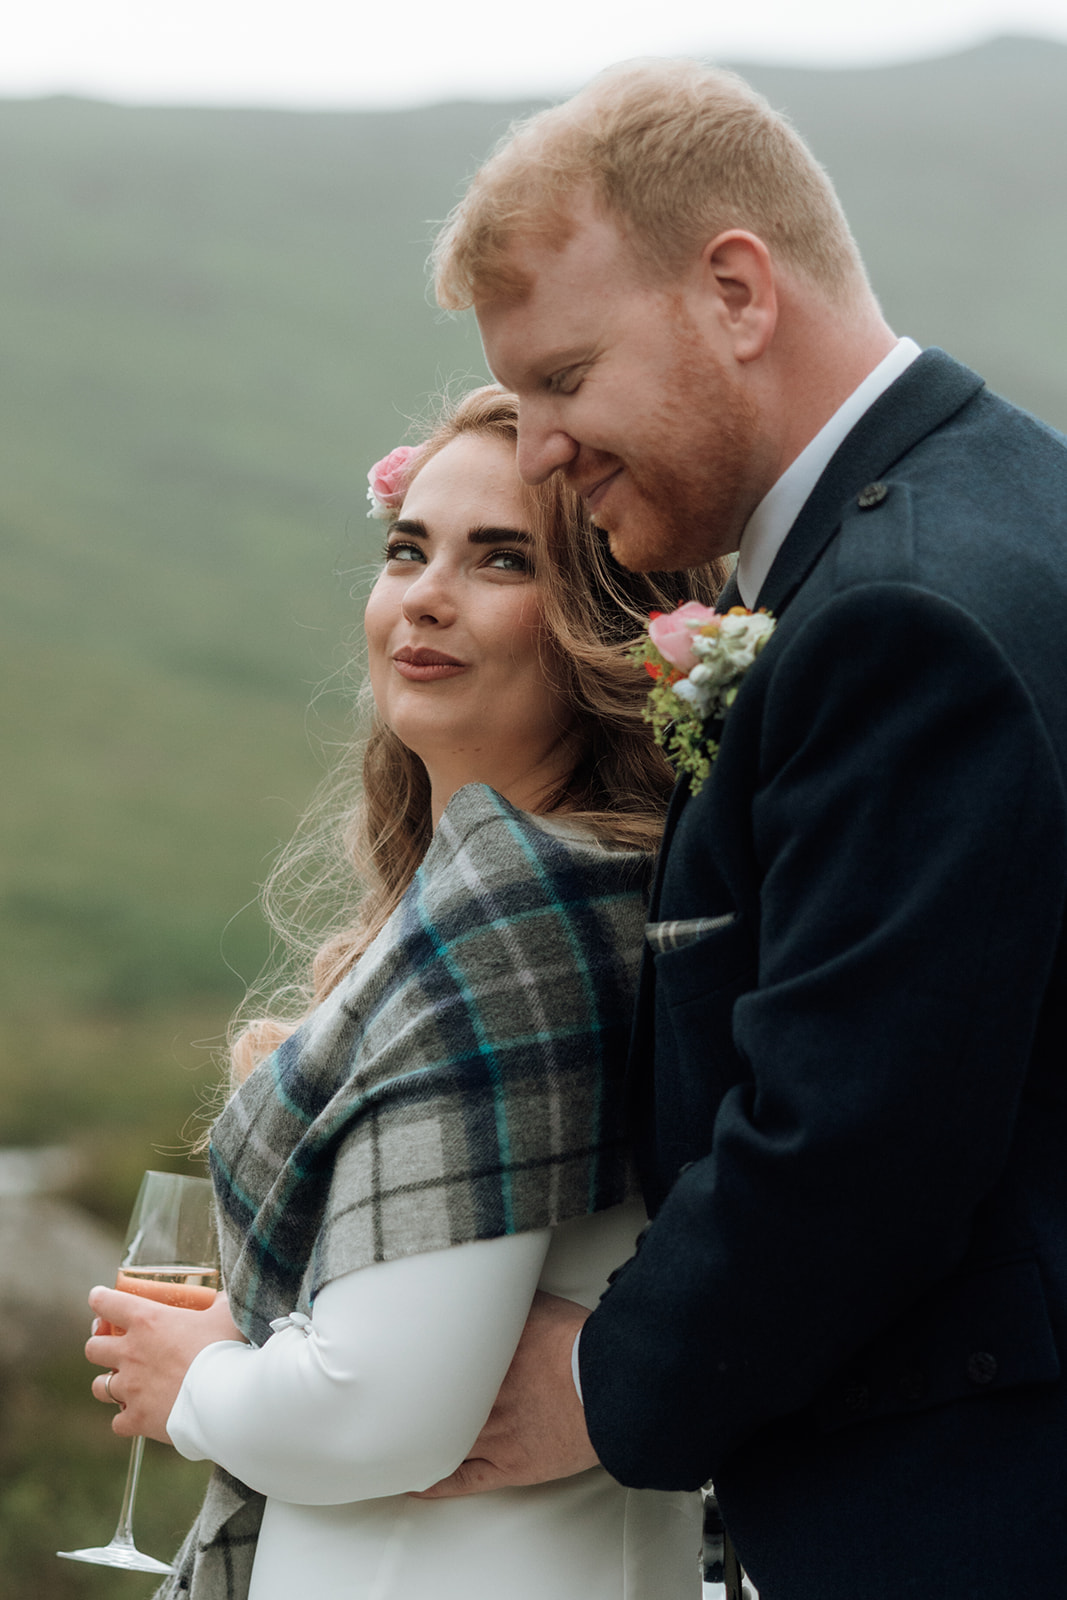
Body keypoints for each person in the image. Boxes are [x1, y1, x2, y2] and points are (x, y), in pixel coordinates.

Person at [419, 58, 1067, 1599]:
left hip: (961, 1510)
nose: (541, 448)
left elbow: (855, 1136)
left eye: (565, 379)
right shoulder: (980, 505)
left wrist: (598, 1384)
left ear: (733, 292)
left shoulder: (899, 609)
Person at [84, 385, 726, 1600]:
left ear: (599, 621)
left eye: (500, 559)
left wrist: (203, 1381)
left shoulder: (520, 906)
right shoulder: (563, 893)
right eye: (404, 549)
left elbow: (382, 1411)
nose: (425, 594)